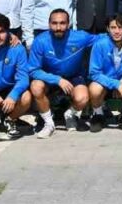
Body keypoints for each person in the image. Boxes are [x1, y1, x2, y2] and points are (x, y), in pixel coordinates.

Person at [28, 9, 98, 138]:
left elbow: (106, 38)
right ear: (49, 24)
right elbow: (33, 70)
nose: (58, 27)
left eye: (62, 23)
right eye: (54, 23)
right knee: (36, 86)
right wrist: (58, 80)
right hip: (49, 77)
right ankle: (49, 123)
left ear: (68, 24)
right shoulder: (40, 40)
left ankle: (70, 114)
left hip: (73, 76)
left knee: (82, 98)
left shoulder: (80, 37)